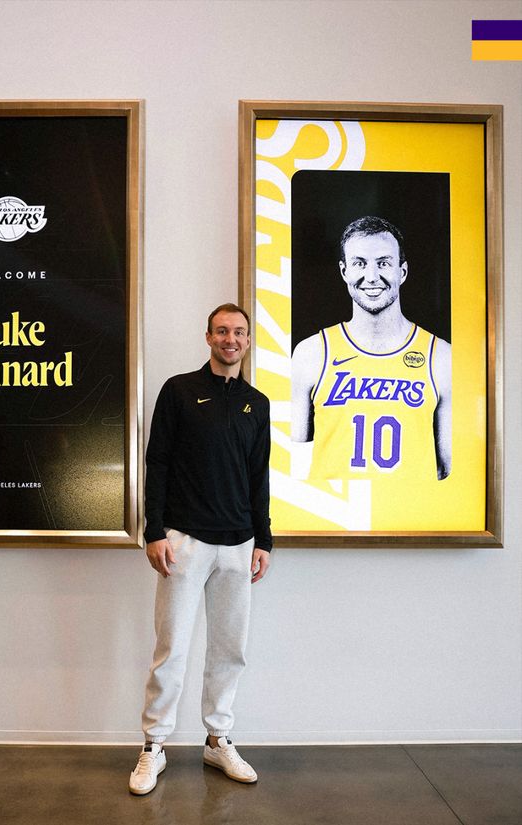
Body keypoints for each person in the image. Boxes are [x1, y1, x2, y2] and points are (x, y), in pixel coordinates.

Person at [129, 303, 272, 795]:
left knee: (230, 649)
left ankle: (217, 739)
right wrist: (154, 532)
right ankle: (154, 746)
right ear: (208, 337)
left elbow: (258, 477)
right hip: (184, 541)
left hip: (239, 545)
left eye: (239, 332)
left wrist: (263, 540)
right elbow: (158, 462)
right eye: (222, 331)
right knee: (171, 648)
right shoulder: (179, 391)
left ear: (248, 341)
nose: (231, 339)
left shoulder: (257, 403)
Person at [291, 216, 451, 481]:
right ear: (344, 271)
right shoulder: (311, 353)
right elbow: (294, 463)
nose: (372, 277)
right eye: (360, 263)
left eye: (384, 263)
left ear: (402, 271)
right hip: (334, 508)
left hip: (409, 507)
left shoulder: (441, 356)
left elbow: (447, 471)